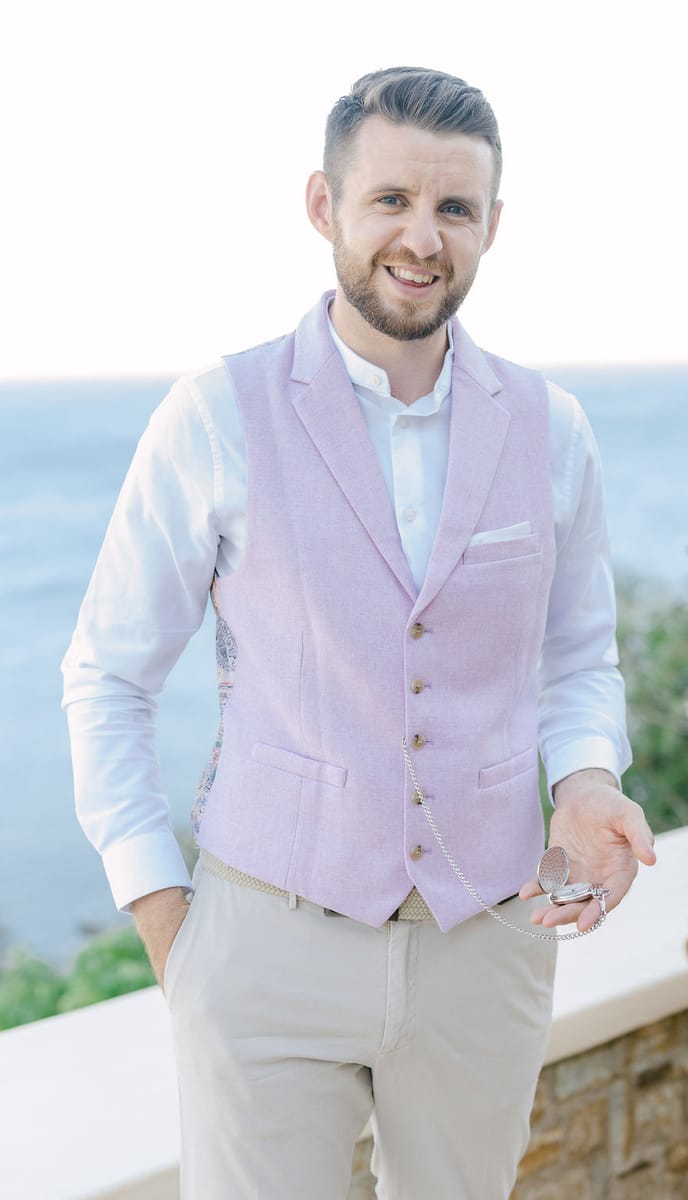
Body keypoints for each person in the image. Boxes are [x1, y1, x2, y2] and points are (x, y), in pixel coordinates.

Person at [62, 66, 656, 1200]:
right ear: (324, 206)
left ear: (490, 225)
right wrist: (167, 926)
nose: (420, 238)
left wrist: (584, 778)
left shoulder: (551, 428)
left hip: (485, 943)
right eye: (389, 200)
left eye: (453, 209)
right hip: (262, 944)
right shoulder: (215, 416)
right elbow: (107, 676)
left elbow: (577, 655)